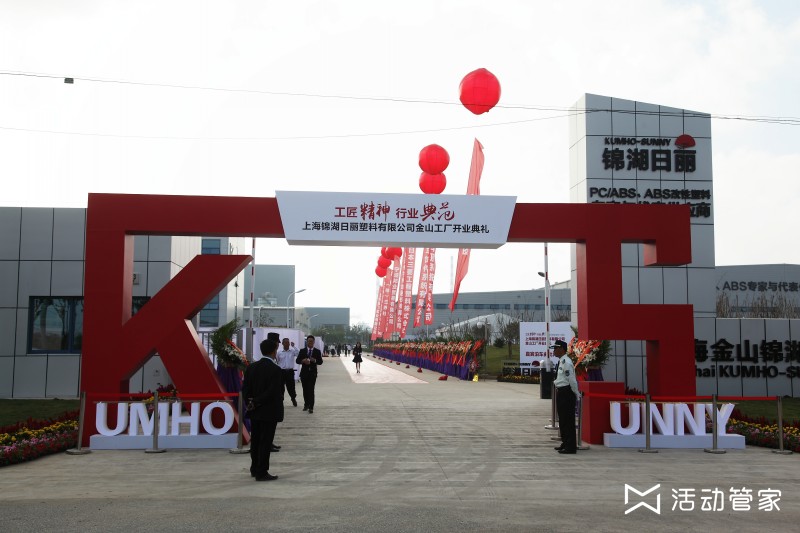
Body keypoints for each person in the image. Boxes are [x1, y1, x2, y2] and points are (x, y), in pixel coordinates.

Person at [242, 336, 285, 481]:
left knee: (255, 441)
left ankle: (254, 468)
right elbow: (273, 392)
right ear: (274, 351)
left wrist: (251, 402)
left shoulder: (251, 367)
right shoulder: (276, 370)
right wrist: (258, 401)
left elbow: (245, 389)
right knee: (266, 442)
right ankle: (262, 471)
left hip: (254, 410)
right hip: (269, 411)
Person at [552, 340, 579, 454]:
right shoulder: (561, 361)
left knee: (568, 420)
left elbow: (571, 380)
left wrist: (576, 393)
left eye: (555, 348)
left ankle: (571, 446)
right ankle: (565, 442)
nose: (554, 351)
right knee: (562, 419)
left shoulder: (566, 362)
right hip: (561, 392)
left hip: (567, 392)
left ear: (562, 349)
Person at [296, 335, 323, 413]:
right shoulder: (302, 350)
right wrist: (303, 361)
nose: (310, 343)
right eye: (308, 341)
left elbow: (320, 362)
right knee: (305, 389)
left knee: (311, 389)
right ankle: (306, 404)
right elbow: (297, 360)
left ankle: (311, 407)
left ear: (314, 342)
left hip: (312, 373)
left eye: (311, 341)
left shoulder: (317, 351)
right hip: (304, 373)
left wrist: (315, 360)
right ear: (306, 342)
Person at [277, 337, 299, 407]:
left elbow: (298, 354)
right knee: (281, 387)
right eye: (286, 342)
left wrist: (294, 346)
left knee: (291, 386)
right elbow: (277, 361)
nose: (287, 344)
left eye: (288, 342)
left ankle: (293, 398)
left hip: (290, 371)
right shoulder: (279, 352)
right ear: (283, 343)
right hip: (282, 371)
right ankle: (281, 400)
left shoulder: (292, 351)